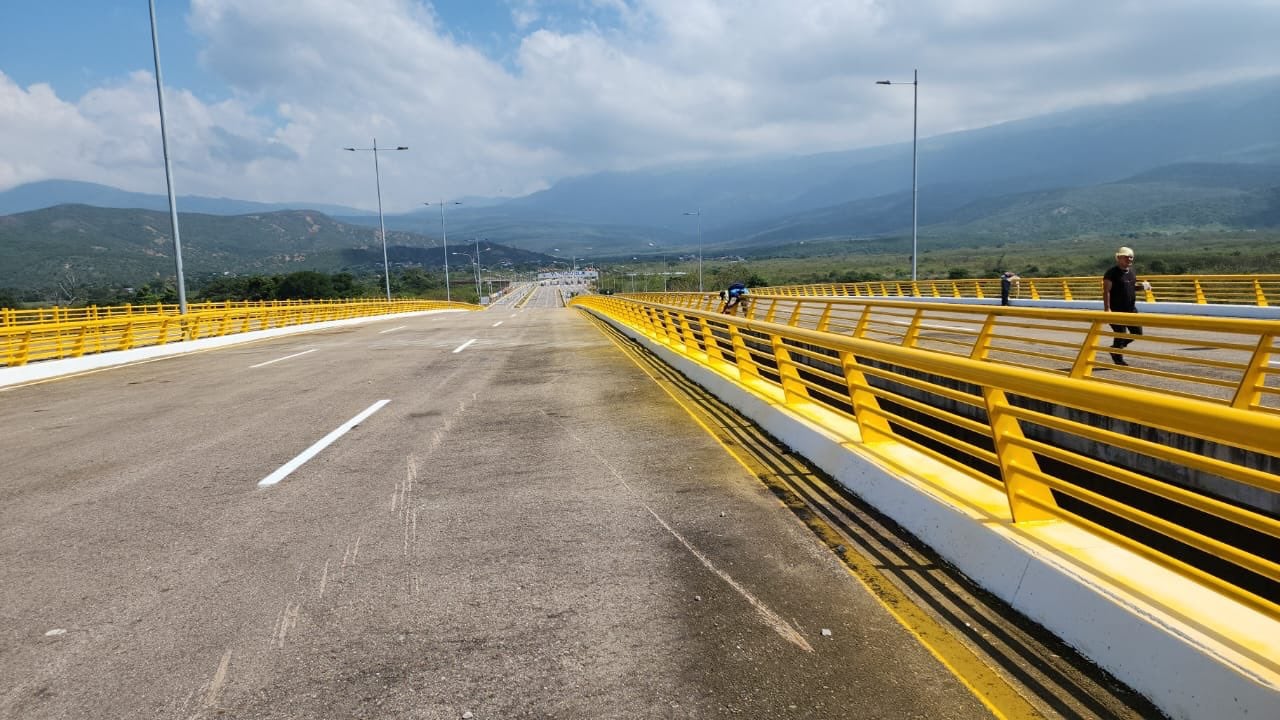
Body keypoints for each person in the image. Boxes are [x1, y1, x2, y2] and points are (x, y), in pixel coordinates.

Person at [1102, 246, 1151, 365]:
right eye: (1126, 257)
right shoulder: (1111, 273)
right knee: (1120, 334)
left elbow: (1131, 287)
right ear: (1118, 258)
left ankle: (1115, 348)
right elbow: (1106, 291)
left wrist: (1142, 287)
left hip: (1130, 309)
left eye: (1131, 257)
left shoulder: (1132, 272)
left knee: (1137, 333)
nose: (1129, 259)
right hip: (1116, 309)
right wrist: (1107, 309)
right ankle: (1118, 357)